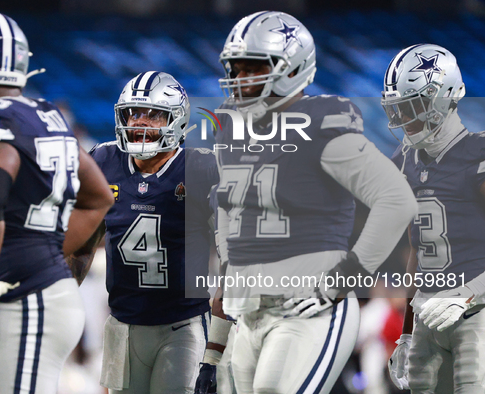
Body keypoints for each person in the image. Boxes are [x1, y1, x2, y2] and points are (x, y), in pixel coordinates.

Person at [205, 11, 418, 394]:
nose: (237, 80)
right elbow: (227, 212)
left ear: (291, 69)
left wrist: (346, 275)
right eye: (233, 69)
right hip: (249, 310)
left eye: (250, 68)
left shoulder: (320, 124)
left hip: (308, 308)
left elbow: (397, 198)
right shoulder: (231, 132)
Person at [0, 11, 114, 393]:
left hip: (18, 299)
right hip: (28, 294)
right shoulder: (45, 115)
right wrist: (48, 250)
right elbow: (99, 196)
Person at [90, 71, 219, 393]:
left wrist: (220, 339)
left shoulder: (202, 168)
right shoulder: (101, 160)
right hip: (122, 323)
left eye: (154, 115)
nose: (140, 123)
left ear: (176, 120)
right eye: (134, 113)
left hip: (182, 325)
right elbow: (78, 241)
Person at [385, 44, 485, 393]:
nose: (404, 120)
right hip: (428, 315)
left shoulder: (478, 153)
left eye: (411, 107)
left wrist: (469, 294)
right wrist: (407, 332)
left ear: (441, 98)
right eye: (398, 109)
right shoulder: (407, 158)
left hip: (477, 314)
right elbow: (419, 248)